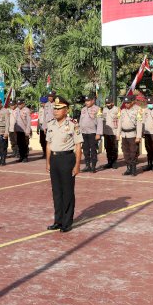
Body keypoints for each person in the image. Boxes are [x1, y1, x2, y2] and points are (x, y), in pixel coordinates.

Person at [45, 95, 83, 233]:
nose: (55, 111)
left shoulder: (73, 124)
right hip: (54, 160)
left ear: (66, 110)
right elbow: (48, 144)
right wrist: (48, 162)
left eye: (59, 109)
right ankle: (58, 220)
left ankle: (67, 223)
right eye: (55, 109)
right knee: (56, 192)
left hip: (67, 159)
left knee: (67, 192)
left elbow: (78, 146)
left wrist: (77, 165)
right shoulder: (51, 124)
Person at [118, 95, 142, 176]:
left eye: (128, 103)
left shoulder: (136, 112)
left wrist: (138, 136)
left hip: (132, 134)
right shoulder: (122, 111)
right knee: (125, 152)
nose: (127, 104)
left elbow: (139, 124)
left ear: (132, 103)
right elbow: (119, 123)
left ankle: (134, 169)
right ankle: (128, 168)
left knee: (133, 152)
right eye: (125, 103)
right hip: (124, 135)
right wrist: (118, 134)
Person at [79, 94, 102, 173]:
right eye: (86, 101)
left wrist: (98, 133)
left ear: (93, 101)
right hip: (84, 133)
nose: (86, 102)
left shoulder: (97, 109)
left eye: (88, 101)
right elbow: (80, 121)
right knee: (85, 150)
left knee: (93, 150)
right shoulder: (83, 109)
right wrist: (79, 132)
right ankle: (87, 165)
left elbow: (100, 122)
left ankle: (93, 166)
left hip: (93, 133)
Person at [101, 97, 120, 169]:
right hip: (106, 132)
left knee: (114, 148)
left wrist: (118, 133)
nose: (108, 104)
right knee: (107, 147)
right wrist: (102, 131)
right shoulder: (104, 110)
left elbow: (119, 121)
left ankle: (114, 162)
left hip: (114, 132)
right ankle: (109, 162)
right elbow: (103, 121)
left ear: (112, 102)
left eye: (109, 103)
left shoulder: (117, 109)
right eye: (106, 103)